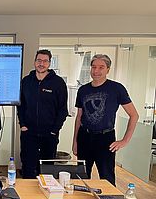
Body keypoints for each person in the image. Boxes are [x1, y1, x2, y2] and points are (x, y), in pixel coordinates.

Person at [72, 54, 139, 186]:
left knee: (107, 178)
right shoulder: (83, 90)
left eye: (101, 67)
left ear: (108, 69)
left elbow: (134, 115)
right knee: (81, 177)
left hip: (105, 138)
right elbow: (79, 117)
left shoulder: (117, 89)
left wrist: (125, 140)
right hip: (84, 137)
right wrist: (75, 141)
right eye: (94, 67)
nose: (96, 71)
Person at [17, 49, 68, 178]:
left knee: (47, 169)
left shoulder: (58, 83)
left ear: (49, 64)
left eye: (45, 61)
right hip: (29, 133)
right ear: (34, 62)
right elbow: (21, 105)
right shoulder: (26, 81)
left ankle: (45, 196)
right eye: (39, 60)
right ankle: (28, 197)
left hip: (49, 134)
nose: (42, 63)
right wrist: (22, 124)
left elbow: (63, 110)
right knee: (28, 167)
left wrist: (55, 130)